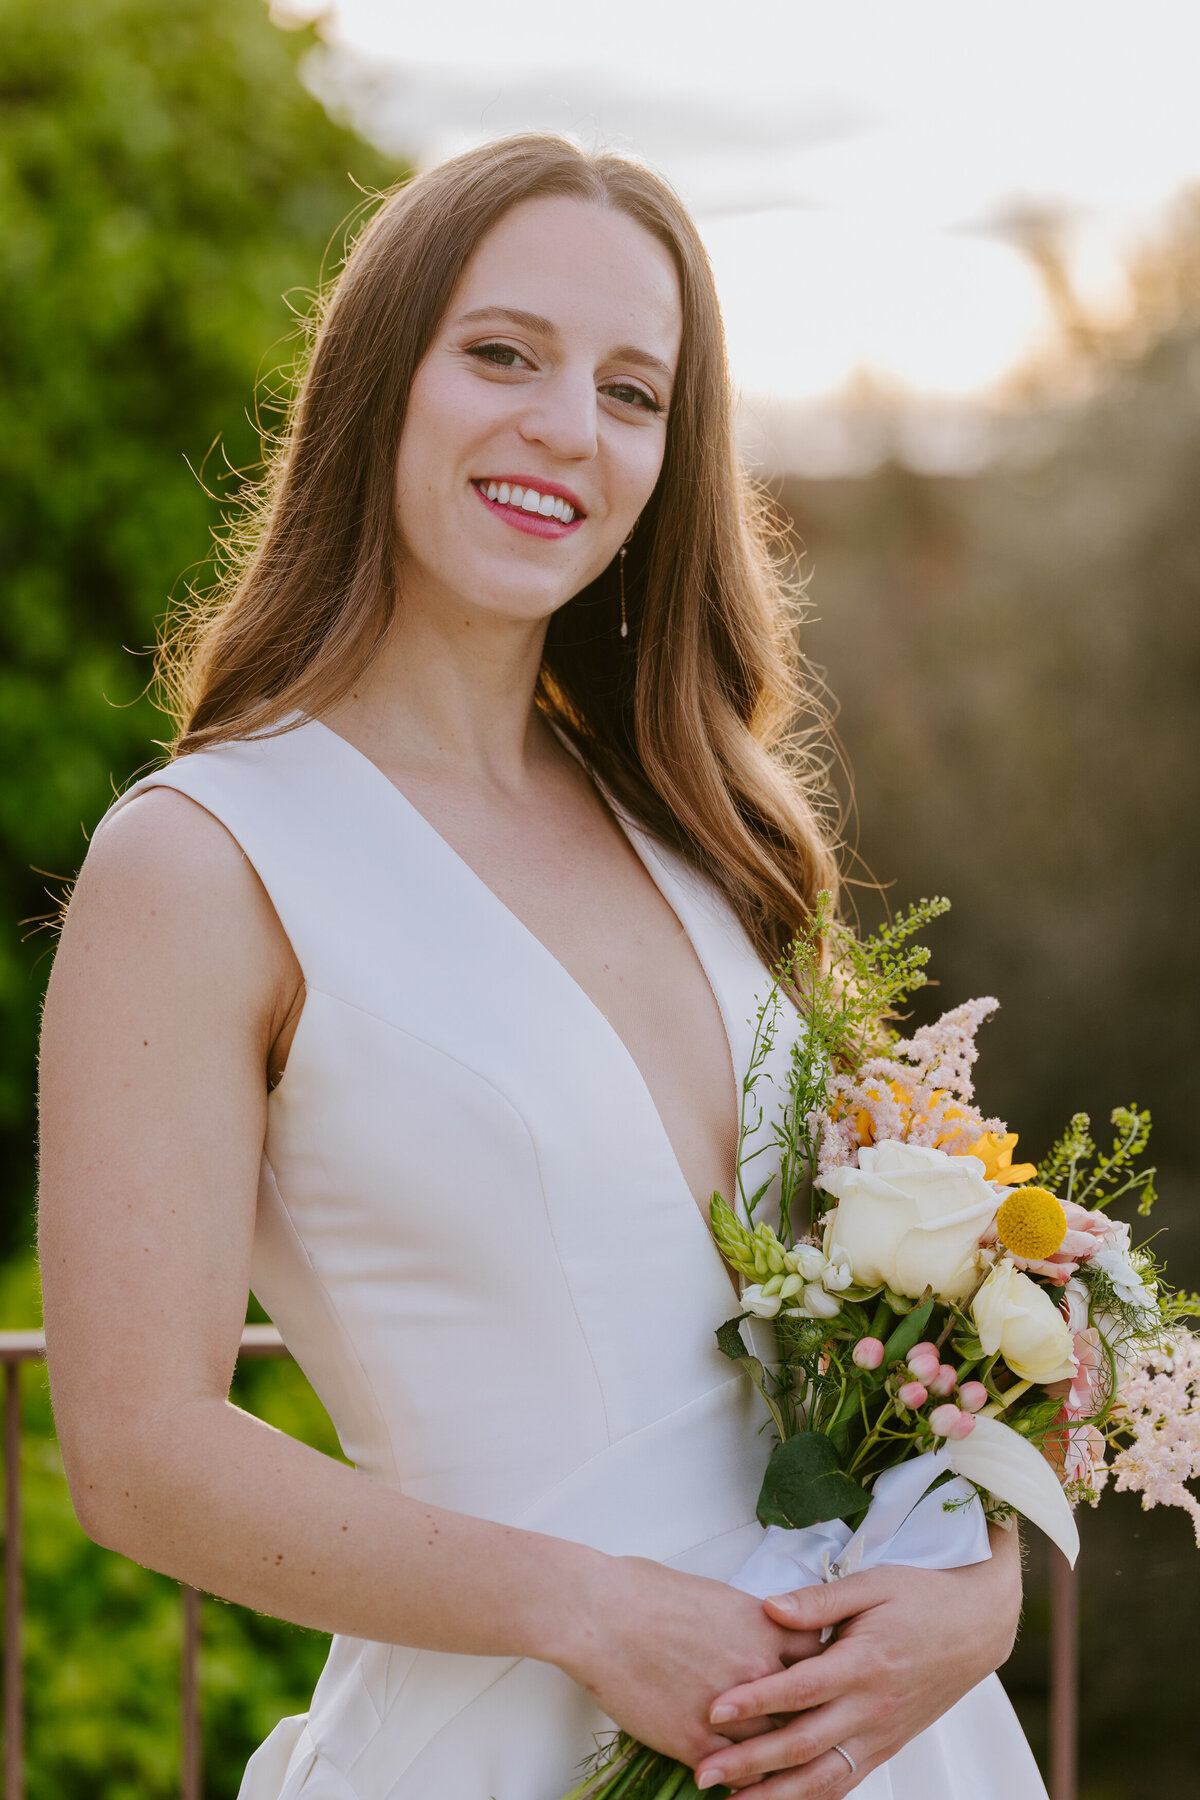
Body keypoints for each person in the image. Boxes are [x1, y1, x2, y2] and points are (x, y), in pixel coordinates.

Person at [37, 134, 1044, 1799]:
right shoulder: (204, 861)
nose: (568, 429)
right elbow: (139, 1457)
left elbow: (895, 1323)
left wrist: (979, 1583)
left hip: (898, 1749)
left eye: (633, 392)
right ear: (383, 384)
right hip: (518, 1747)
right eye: (503, 353)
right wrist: (588, 1613)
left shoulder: (699, 826)